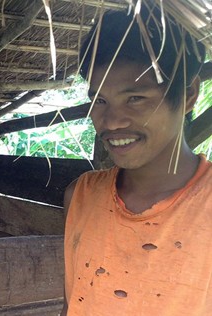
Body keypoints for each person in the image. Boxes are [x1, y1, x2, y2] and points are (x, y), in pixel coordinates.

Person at [61, 3, 211, 315]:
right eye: (100, 100)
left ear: (188, 95)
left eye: (135, 98)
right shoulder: (81, 197)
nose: (112, 121)